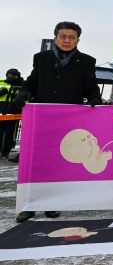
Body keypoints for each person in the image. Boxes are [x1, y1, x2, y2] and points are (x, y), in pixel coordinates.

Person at [15, 21, 102, 223]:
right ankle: (28, 206)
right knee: (34, 162)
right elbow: (33, 80)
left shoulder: (87, 61)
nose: (66, 41)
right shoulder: (41, 58)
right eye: (62, 36)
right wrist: (25, 92)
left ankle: (51, 202)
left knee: (57, 163)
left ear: (78, 40)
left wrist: (94, 98)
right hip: (41, 119)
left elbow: (91, 86)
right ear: (55, 38)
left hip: (68, 121)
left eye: (71, 37)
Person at [0, 69, 23, 160]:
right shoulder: (1, 83)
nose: (10, 78)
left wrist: (18, 97)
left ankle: (5, 152)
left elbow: (28, 97)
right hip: (1, 114)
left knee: (10, 135)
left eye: (12, 77)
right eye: (8, 76)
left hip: (13, 115)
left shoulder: (21, 85)